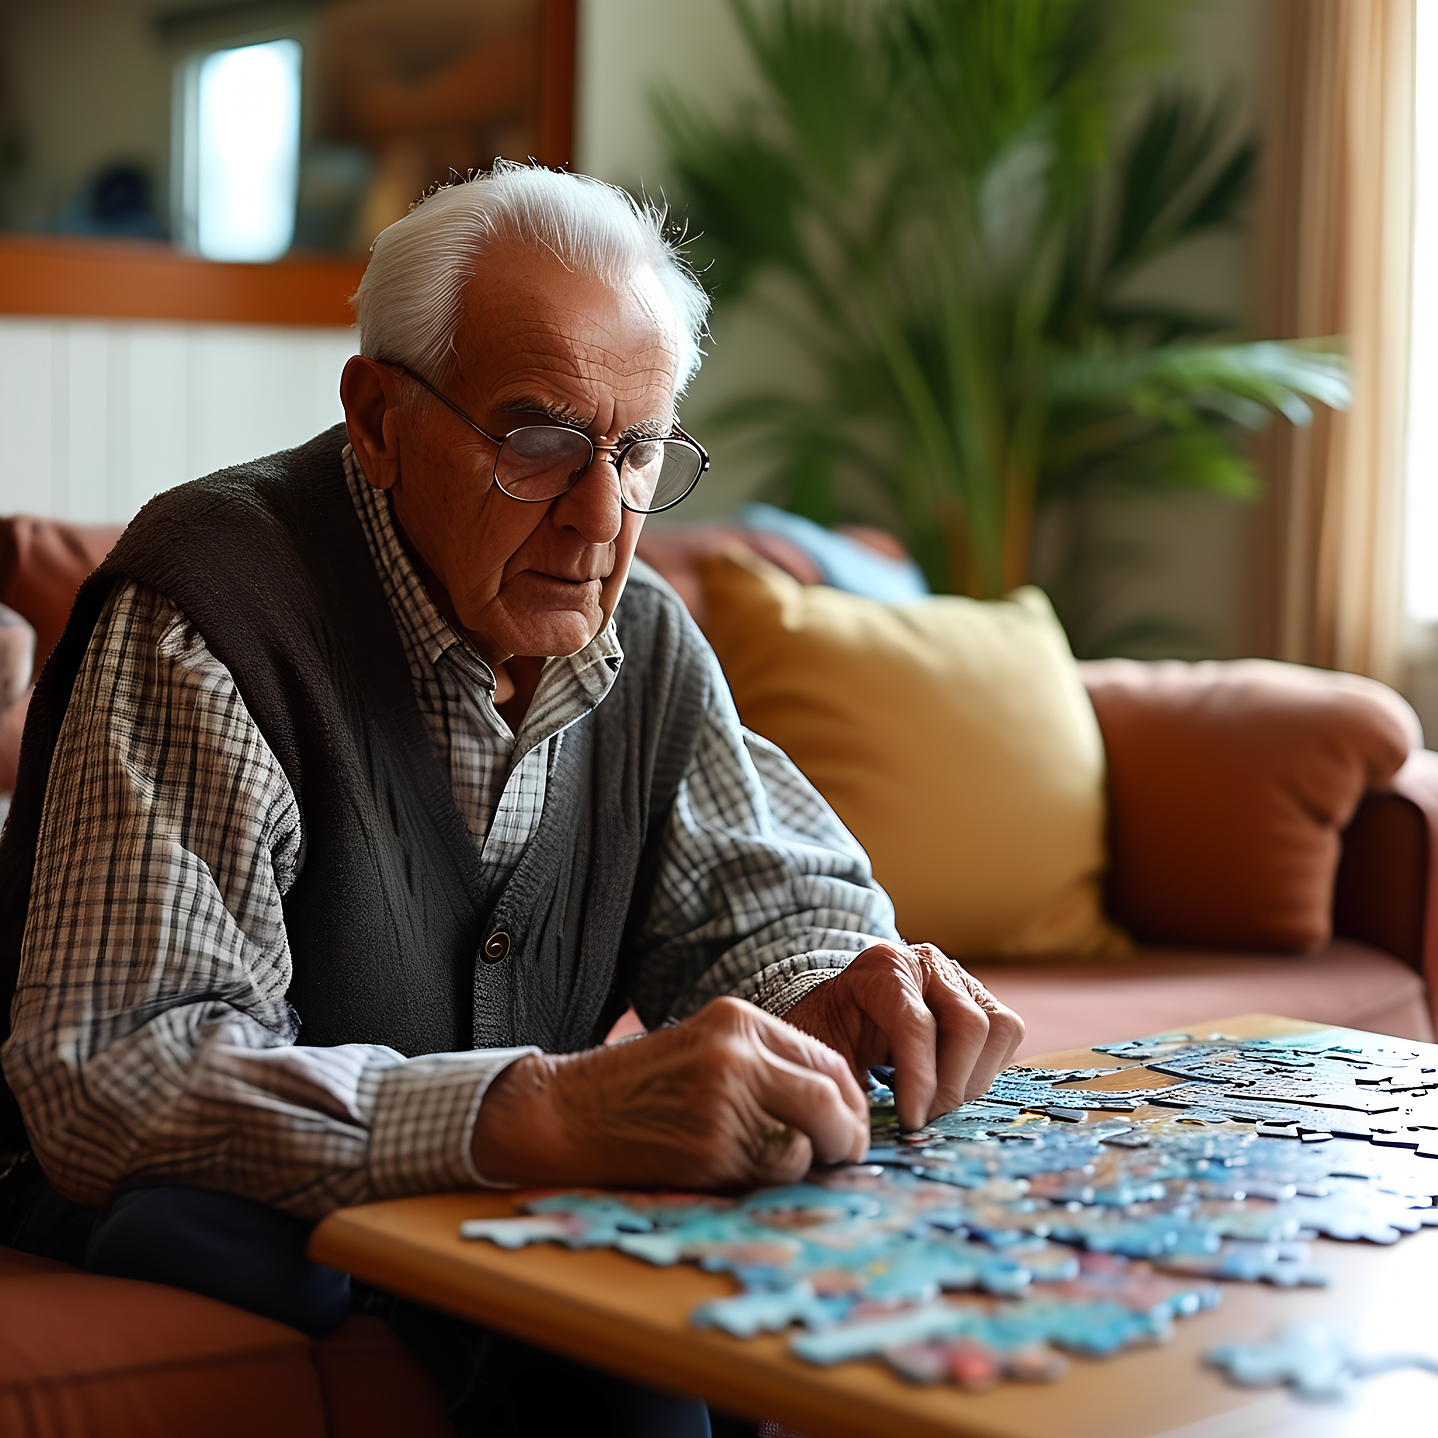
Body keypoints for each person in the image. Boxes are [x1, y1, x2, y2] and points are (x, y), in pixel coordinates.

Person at [0, 164, 1022, 1436]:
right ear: (376, 417)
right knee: (609, 1356)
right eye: (536, 439)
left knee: (775, 1287)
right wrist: (538, 1111)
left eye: (638, 448)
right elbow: (120, 1072)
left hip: (483, 1214)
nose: (600, 514)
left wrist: (840, 993)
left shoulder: (641, 637)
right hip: (200, 1191)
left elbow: (773, 910)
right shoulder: (210, 617)